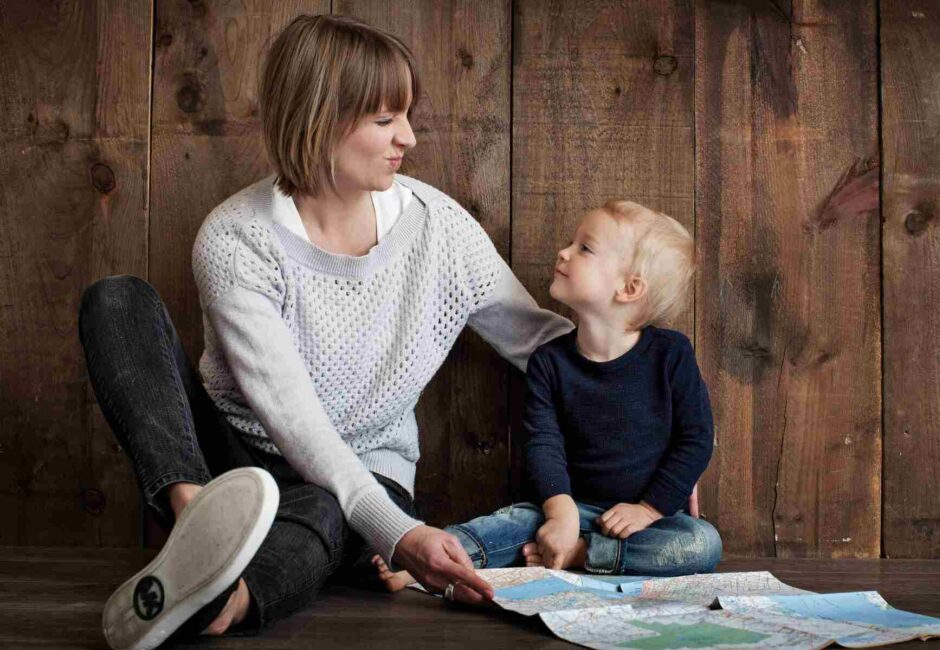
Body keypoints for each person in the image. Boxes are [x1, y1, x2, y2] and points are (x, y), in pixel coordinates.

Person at [78, 14, 573, 650]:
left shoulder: (438, 229)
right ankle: (197, 522)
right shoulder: (236, 239)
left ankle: (225, 599)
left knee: (327, 506)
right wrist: (397, 536)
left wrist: (653, 420)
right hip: (229, 458)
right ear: (321, 118)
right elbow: (294, 419)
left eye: (406, 115)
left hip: (361, 474)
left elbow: (540, 342)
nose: (410, 138)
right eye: (385, 119)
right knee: (116, 301)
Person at [376, 199, 721, 590]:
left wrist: (649, 509)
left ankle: (582, 555)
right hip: (570, 506)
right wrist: (560, 514)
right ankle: (427, 561)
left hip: (647, 522)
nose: (564, 252)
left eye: (584, 249)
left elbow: (695, 439)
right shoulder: (549, 362)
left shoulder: (671, 355)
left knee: (702, 544)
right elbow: (543, 444)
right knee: (512, 524)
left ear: (629, 288)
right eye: (572, 243)